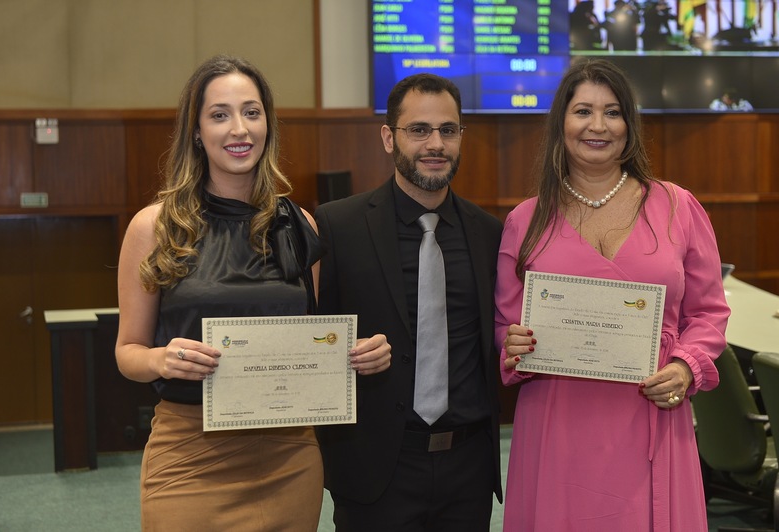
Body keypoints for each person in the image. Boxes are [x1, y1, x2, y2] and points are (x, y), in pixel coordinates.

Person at [115, 54, 390, 530]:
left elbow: (311, 339)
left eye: (251, 112)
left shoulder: (300, 225)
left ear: (267, 125)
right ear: (197, 132)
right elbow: (127, 352)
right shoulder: (155, 227)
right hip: (190, 454)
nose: (239, 129)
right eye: (220, 115)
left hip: (289, 454)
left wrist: (356, 355)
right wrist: (161, 359)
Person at [495, 59, 730, 531]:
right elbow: (505, 324)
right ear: (561, 123)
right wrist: (512, 344)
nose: (598, 126)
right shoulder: (525, 220)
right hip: (557, 421)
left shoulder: (677, 207)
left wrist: (685, 367)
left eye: (613, 112)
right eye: (583, 111)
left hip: (653, 411)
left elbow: (708, 313)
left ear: (630, 125)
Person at [314, 73, 504, 531]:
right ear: (388, 137)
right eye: (419, 130)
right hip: (376, 469)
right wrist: (345, 354)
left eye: (448, 130)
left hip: (468, 468)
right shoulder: (338, 226)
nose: (435, 144)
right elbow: (311, 338)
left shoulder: (490, 234)